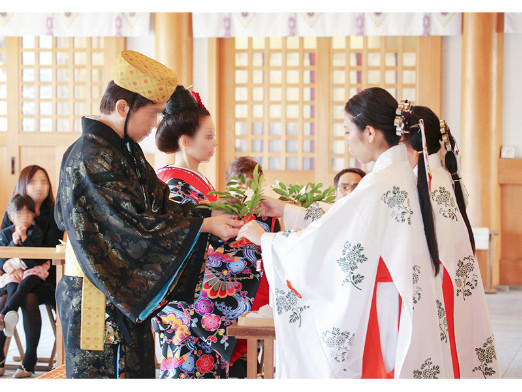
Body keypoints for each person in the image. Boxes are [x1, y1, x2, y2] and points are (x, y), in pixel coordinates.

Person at [237, 87, 454, 378]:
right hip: (397, 295)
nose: (347, 141)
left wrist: (265, 239)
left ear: (369, 132)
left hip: (382, 301)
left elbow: (332, 233)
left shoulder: (378, 182)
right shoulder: (398, 174)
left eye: (347, 131)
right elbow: (342, 221)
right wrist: (286, 210)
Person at [54, 51, 242, 379]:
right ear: (123, 107)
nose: (155, 124)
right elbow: (130, 228)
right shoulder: (90, 156)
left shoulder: (125, 151)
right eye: (152, 113)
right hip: (96, 292)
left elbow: (160, 207)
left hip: (119, 289)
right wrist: (204, 224)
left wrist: (210, 213)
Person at [151, 87, 277, 379]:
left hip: (199, 303)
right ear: (185, 141)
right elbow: (185, 244)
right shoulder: (173, 186)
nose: (215, 143)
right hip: (187, 306)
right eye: (208, 136)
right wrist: (256, 247)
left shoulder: (195, 182)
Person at [401, 105, 499, 378]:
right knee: (457, 347)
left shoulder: (426, 181)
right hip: (451, 275)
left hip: (438, 279)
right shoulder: (445, 176)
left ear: (411, 140)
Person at [0, 165, 63, 378]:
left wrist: (20, 260)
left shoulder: (54, 214)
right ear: (23, 185)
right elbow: (2, 246)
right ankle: (0, 357)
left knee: (27, 297)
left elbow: (47, 253)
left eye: (43, 182)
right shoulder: (12, 212)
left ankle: (29, 361)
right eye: (33, 182)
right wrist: (6, 264)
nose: (39, 187)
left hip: (44, 277)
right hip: (15, 276)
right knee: (3, 297)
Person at [0, 195, 45, 339]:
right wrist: (14, 243)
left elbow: (36, 260)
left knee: (26, 283)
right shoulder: (5, 233)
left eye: (28, 213)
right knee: (11, 284)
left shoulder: (36, 232)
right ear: (10, 216)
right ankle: (9, 316)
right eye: (19, 213)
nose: (24, 217)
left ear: (34, 214)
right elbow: (2, 261)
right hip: (12, 274)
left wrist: (24, 238)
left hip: (33, 271)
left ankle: (6, 312)